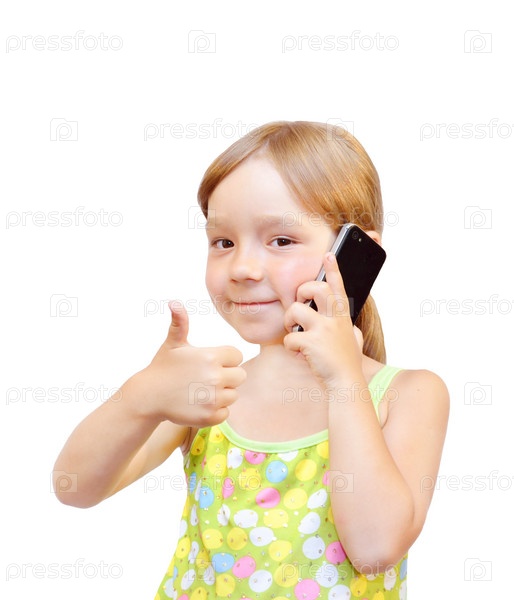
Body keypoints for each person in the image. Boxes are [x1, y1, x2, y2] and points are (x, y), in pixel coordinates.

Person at [53, 121, 449, 599]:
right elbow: (74, 488)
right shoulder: (213, 390)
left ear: (356, 254)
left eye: (281, 240)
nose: (241, 268)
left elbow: (374, 548)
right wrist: (140, 397)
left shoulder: (410, 394)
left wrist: (344, 379)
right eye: (223, 242)